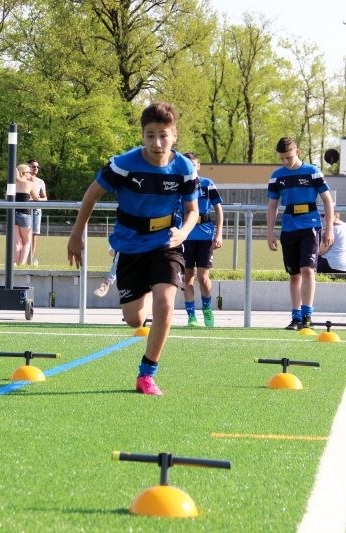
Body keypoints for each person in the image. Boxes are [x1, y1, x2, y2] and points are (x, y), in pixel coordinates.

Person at [67, 102, 199, 396]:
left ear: (174, 135)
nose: (157, 143)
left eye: (163, 135)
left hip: (166, 243)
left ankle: (147, 374)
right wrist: (76, 235)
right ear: (142, 135)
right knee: (135, 320)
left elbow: (193, 211)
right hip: (129, 245)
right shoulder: (124, 164)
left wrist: (183, 232)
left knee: (165, 305)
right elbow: (92, 194)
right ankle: (149, 288)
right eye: (150, 135)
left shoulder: (184, 168)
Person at [266, 137, 334, 330]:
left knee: (307, 270)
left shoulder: (312, 172)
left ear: (297, 152)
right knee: (294, 274)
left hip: (310, 226)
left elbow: (327, 200)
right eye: (281, 158)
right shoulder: (277, 176)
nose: (285, 162)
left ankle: (307, 316)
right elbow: (272, 206)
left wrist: (329, 229)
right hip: (288, 228)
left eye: (288, 157)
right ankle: (296, 318)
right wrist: (270, 233)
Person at [178, 152, 223, 327]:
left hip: (205, 235)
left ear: (198, 166)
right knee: (186, 277)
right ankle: (191, 316)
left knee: (203, 277)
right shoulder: (179, 185)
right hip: (185, 236)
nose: (190, 167)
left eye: (193, 164)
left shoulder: (207, 184)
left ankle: (207, 308)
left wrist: (219, 233)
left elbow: (218, 208)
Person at [12, 164, 41, 265]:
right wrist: (32, 182)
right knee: (27, 242)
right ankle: (21, 263)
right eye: (29, 172)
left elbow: (7, 197)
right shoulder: (30, 184)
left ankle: (17, 263)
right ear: (24, 173)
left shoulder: (13, 183)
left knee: (16, 241)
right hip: (24, 214)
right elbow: (36, 198)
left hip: (13, 214)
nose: (31, 174)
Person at [27, 159, 47, 262]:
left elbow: (45, 198)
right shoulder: (22, 180)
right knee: (23, 236)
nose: (36, 168)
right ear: (29, 167)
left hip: (36, 211)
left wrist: (37, 199)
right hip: (24, 211)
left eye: (37, 167)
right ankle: (19, 259)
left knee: (34, 236)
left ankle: (30, 260)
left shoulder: (40, 182)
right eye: (34, 166)